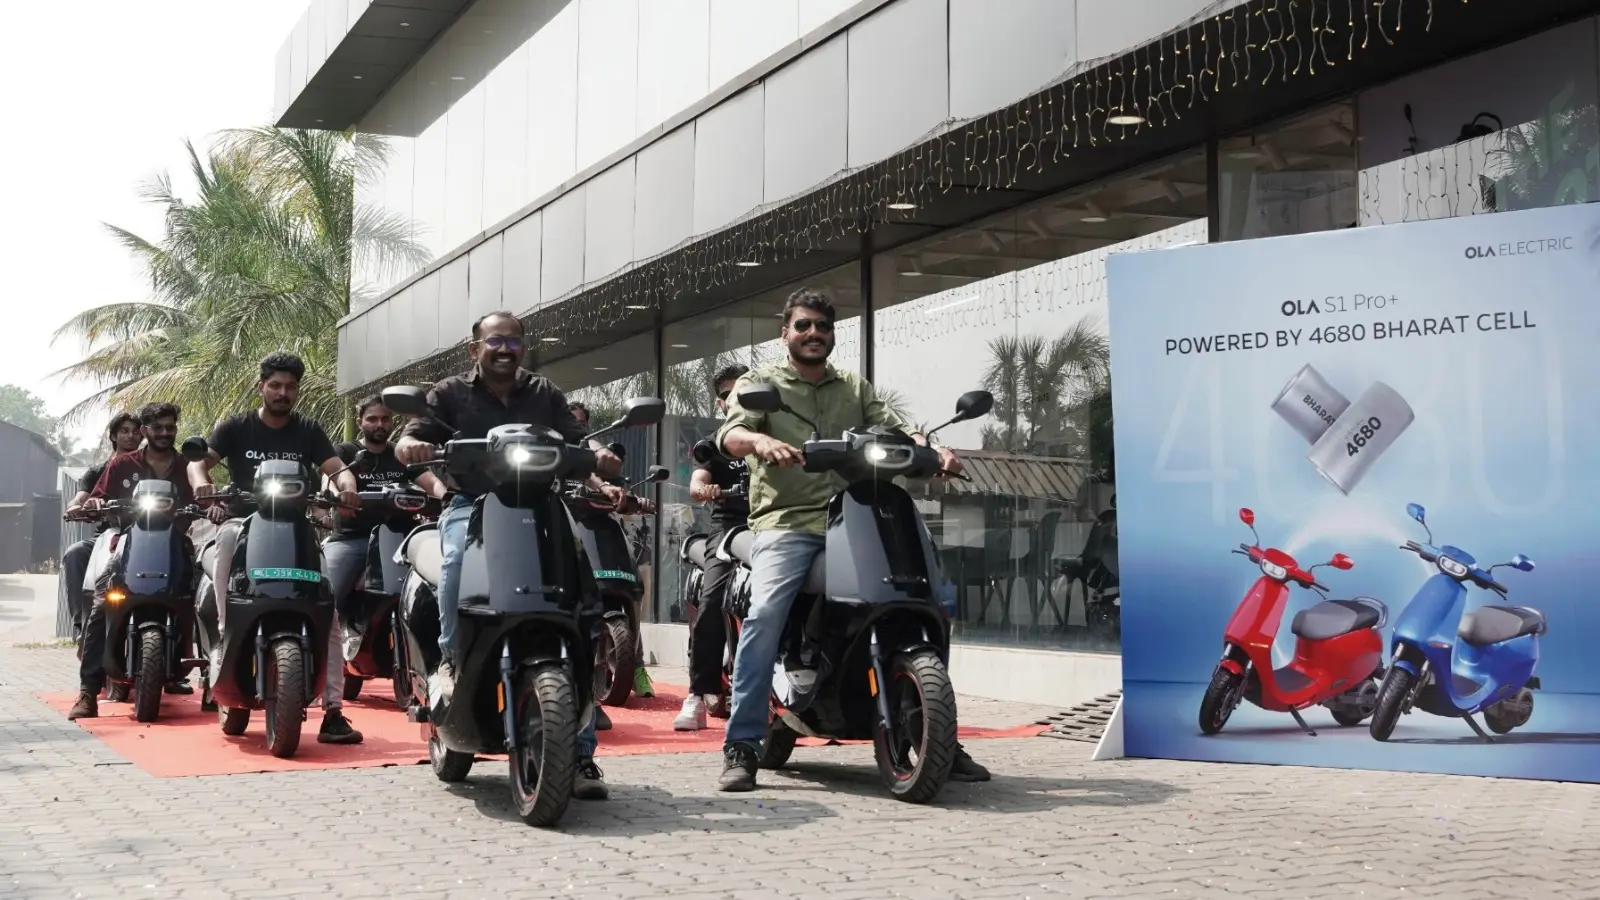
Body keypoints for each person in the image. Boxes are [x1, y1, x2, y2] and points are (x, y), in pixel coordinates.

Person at [713, 287, 993, 791]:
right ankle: (742, 744)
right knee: (767, 612)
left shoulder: (853, 387)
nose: (813, 333)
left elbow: (896, 428)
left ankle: (937, 734)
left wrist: (936, 450)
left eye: (822, 326)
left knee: (926, 600)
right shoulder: (760, 383)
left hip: (857, 517)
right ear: (786, 334)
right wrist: (760, 440)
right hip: (789, 522)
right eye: (803, 326)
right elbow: (730, 434)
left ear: (832, 334)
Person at [395, 310, 627, 800]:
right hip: (473, 506)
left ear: (524, 347)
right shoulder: (450, 393)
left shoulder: (544, 392)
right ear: (474, 347)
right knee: (454, 561)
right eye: (494, 341)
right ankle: (453, 656)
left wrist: (601, 461)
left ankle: (581, 753)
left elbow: (579, 439)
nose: (504, 349)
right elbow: (412, 436)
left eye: (514, 342)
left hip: (543, 509)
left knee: (584, 592)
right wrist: (413, 446)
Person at [186, 352, 365, 745]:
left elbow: (336, 469)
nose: (283, 393)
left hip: (296, 528)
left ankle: (333, 710)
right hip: (245, 523)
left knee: (327, 610)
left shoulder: (308, 430)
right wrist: (202, 481)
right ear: (261, 387)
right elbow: (200, 463)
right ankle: (224, 623)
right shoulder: (237, 426)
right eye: (276, 386)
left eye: (290, 387)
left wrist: (347, 488)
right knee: (227, 539)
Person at [66, 405, 190, 720]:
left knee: (207, 595)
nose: (164, 433)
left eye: (170, 427)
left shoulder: (188, 465)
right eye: (157, 427)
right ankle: (87, 692)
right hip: (127, 543)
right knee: (102, 602)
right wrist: (93, 503)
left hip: (176, 545)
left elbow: (205, 495)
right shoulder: (121, 464)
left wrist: (212, 503)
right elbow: (96, 497)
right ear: (144, 431)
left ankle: (215, 685)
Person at [675, 364, 750, 732]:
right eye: (727, 394)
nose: (735, 399)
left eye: (743, 391)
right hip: (730, 529)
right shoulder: (713, 445)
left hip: (776, 527)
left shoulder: (780, 435)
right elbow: (698, 479)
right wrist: (702, 489)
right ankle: (697, 693)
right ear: (720, 403)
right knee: (712, 600)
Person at [319, 396, 415, 670]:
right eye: (372, 418)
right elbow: (332, 476)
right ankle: (316, 669)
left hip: (400, 541)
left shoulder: (400, 454)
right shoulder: (345, 451)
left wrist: (444, 496)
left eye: (385, 418)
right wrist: (338, 497)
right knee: (326, 596)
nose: (379, 424)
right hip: (352, 539)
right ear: (361, 421)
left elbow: (425, 479)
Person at [61, 414, 143, 639]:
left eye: (135, 431)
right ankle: (82, 626)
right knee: (75, 553)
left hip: (146, 535)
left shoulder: (151, 464)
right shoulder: (99, 470)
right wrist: (75, 507)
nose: (130, 436)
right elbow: (80, 499)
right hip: (109, 535)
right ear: (113, 436)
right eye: (124, 431)